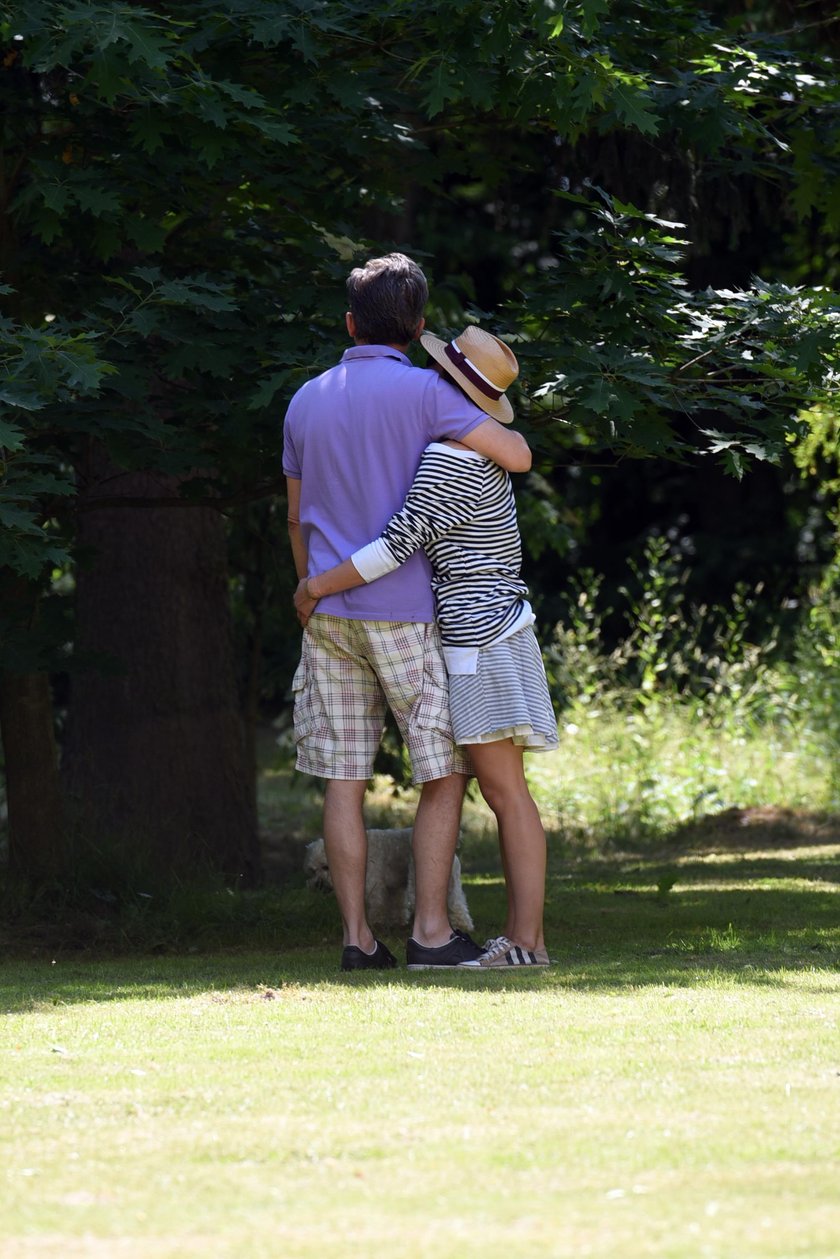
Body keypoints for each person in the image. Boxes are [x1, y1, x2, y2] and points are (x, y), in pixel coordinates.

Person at [283, 254, 532, 971]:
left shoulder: (306, 398)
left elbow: (296, 517)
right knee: (442, 771)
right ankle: (429, 931)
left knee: (343, 779)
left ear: (350, 322)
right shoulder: (428, 393)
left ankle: (358, 939)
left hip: (326, 613)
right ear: (419, 325)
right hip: (405, 611)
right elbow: (514, 455)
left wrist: (309, 590)